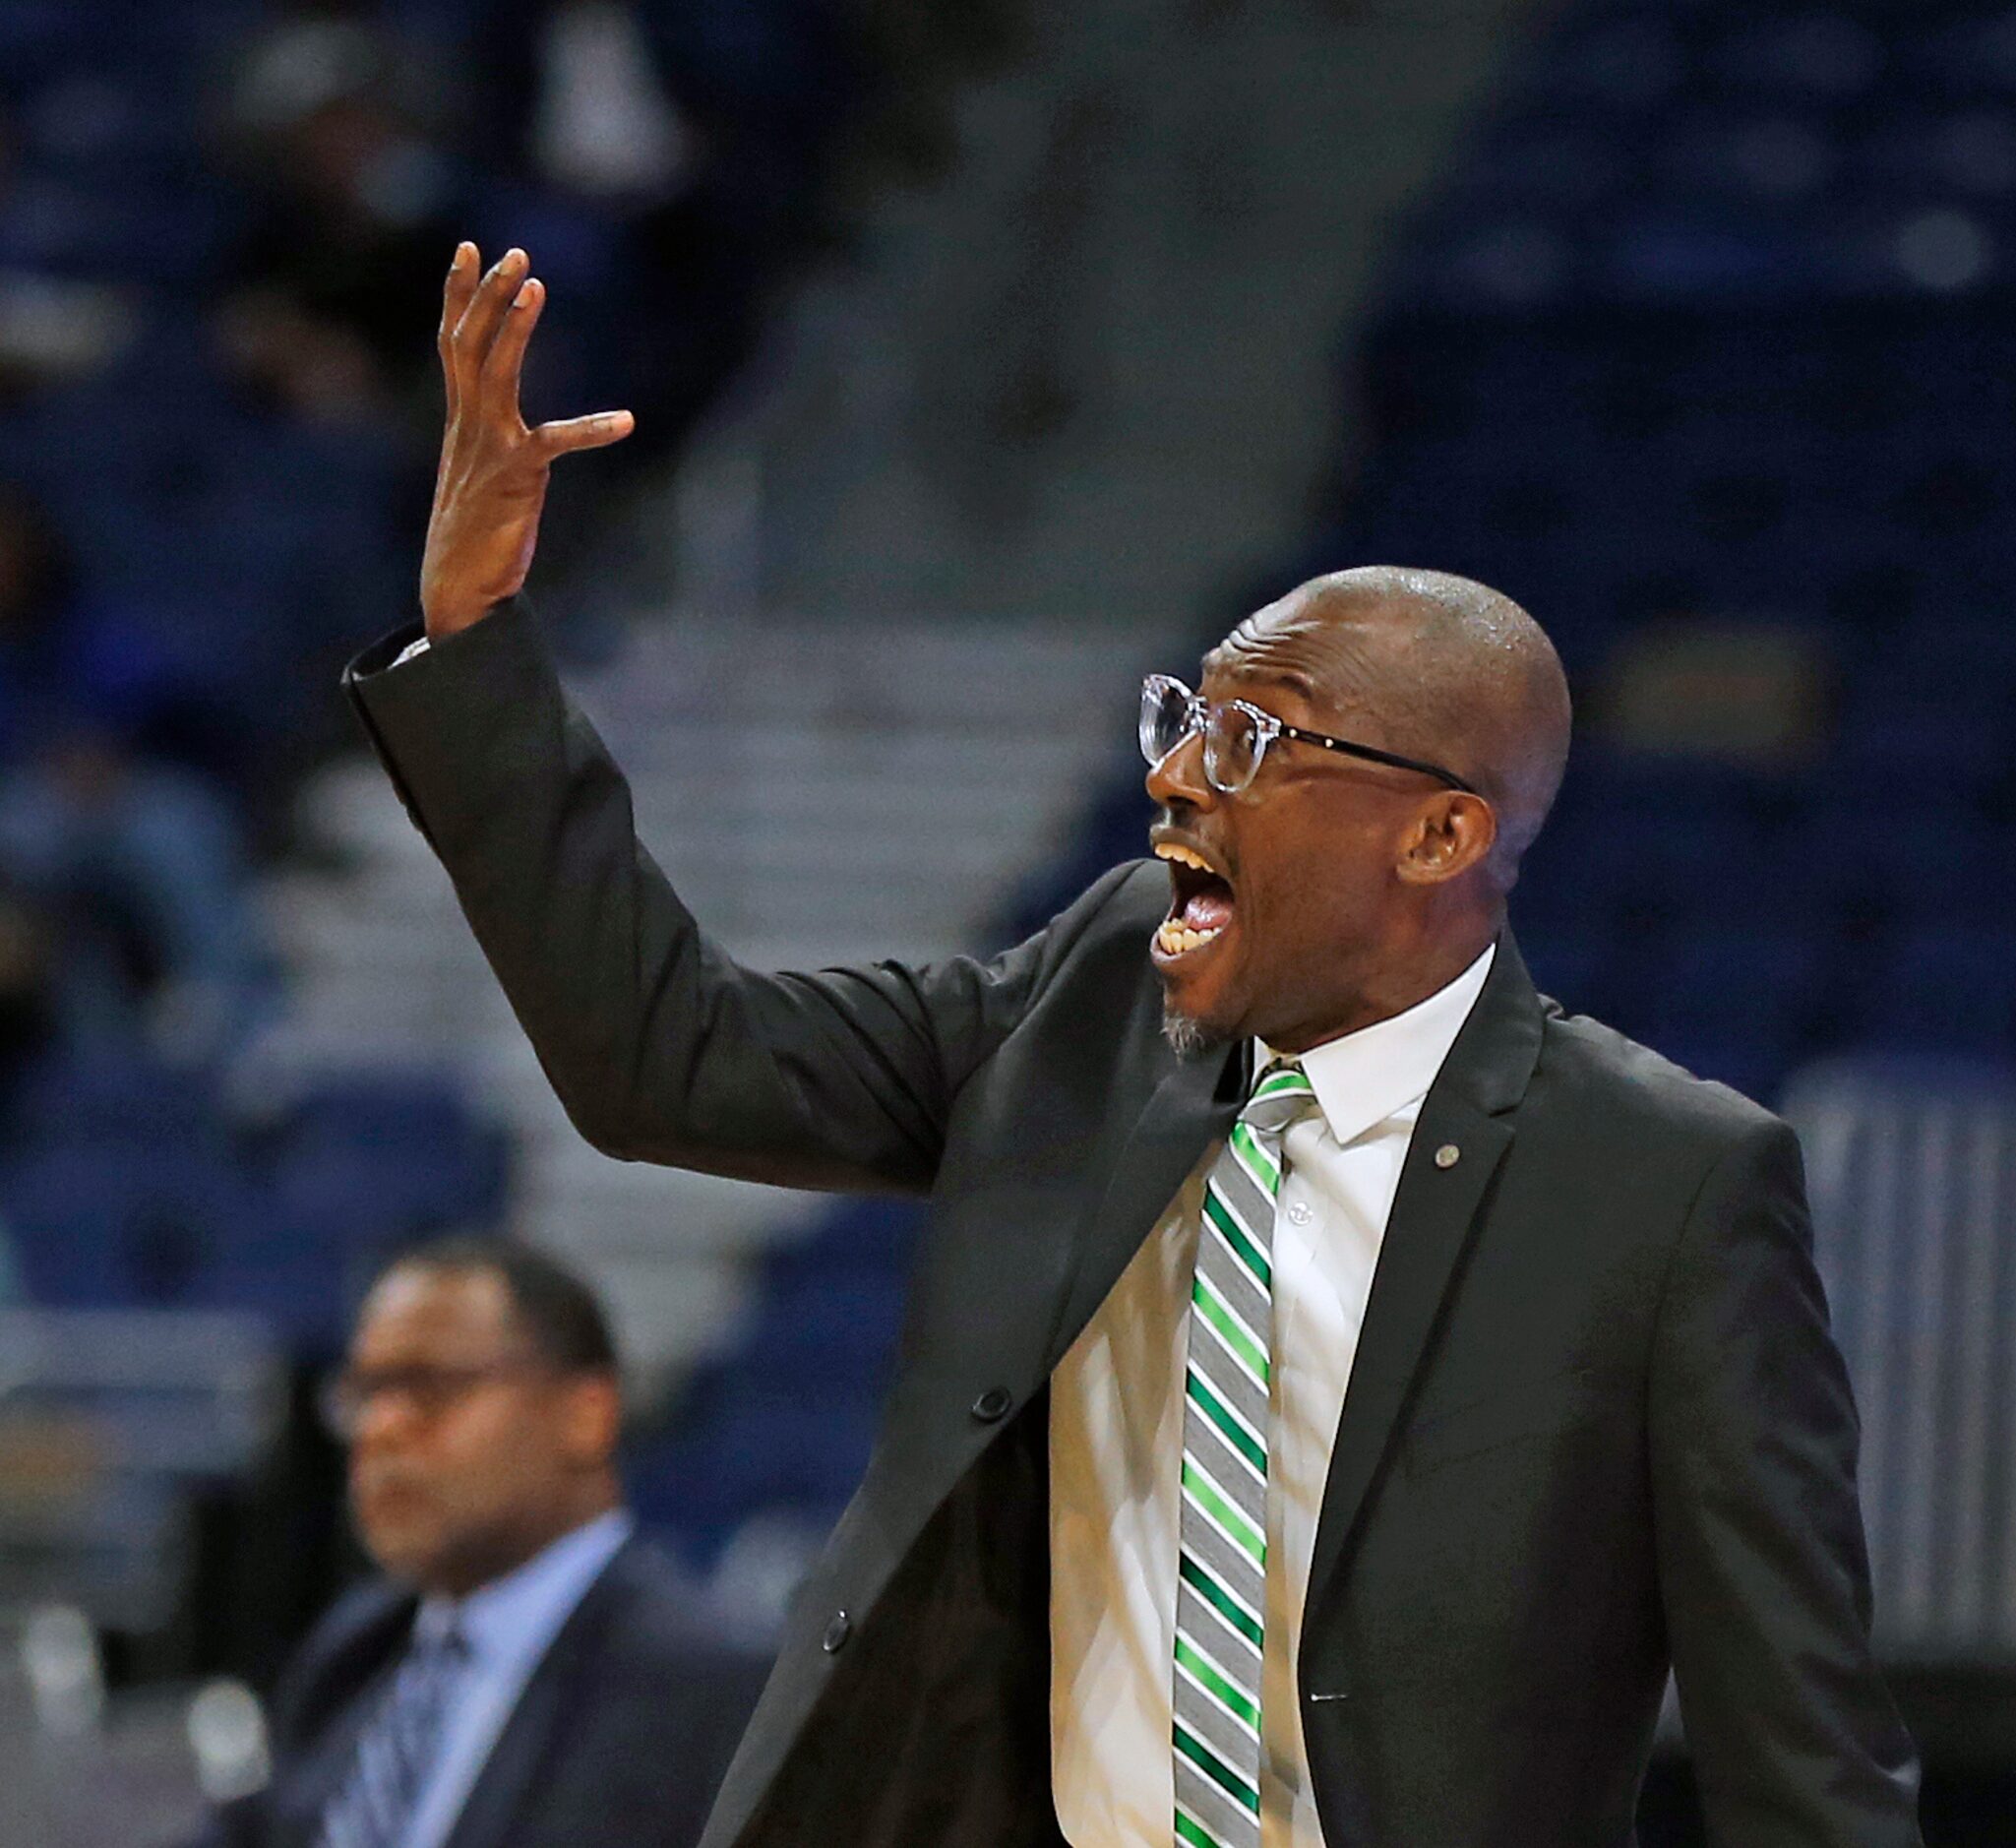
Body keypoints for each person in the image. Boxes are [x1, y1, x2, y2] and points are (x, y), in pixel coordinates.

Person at [339, 243, 1924, 1846]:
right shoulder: (1091, 994)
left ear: (1440, 832)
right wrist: (476, 647)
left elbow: (1797, 1754)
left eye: (1251, 740)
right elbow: (663, 1058)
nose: (1175, 779)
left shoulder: (1662, 1187)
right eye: (1181, 720)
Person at [183, 1235, 764, 1848]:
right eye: (366, 1393)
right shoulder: (354, 1654)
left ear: (585, 1415)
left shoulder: (712, 1685)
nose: (382, 1428)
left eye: (431, 1386)